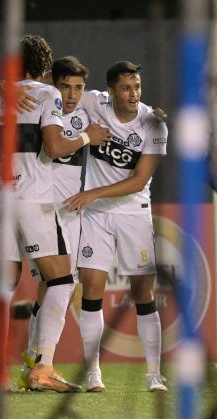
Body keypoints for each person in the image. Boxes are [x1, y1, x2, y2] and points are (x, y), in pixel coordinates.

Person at [0, 35, 109, 393]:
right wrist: (87, 138)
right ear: (45, 68)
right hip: (33, 197)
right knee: (62, 281)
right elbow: (53, 148)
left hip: (0, 196)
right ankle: (44, 368)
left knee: (2, 288)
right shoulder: (45, 93)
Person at [64, 61, 169, 392]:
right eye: (126, 87)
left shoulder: (154, 124)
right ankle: (94, 373)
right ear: (110, 91)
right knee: (91, 291)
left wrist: (92, 192)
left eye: (137, 86)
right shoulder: (95, 102)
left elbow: (139, 181)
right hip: (96, 217)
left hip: (133, 213)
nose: (133, 94)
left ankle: (154, 374)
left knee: (143, 293)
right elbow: (61, 92)